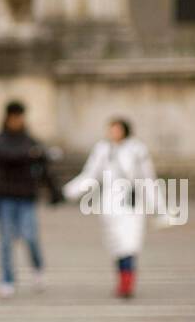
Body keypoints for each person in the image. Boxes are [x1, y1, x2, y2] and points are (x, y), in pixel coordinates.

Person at [63, 117, 157, 298]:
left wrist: (158, 207)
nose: (113, 133)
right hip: (111, 205)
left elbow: (148, 178)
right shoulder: (102, 149)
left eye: (116, 129)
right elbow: (90, 175)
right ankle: (122, 280)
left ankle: (127, 284)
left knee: (130, 244)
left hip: (132, 203)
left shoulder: (138, 150)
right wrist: (68, 192)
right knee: (117, 245)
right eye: (111, 129)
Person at [0, 100, 63, 299]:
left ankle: (38, 269)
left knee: (30, 237)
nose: (17, 121)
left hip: (27, 197)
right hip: (5, 197)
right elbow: (5, 156)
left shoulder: (31, 141)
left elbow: (43, 169)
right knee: (6, 241)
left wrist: (54, 191)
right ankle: (7, 280)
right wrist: (31, 154)